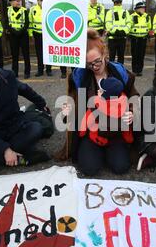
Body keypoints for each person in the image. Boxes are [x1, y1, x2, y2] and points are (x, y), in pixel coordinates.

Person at [57, 29, 139, 176]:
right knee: (89, 169)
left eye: (97, 61)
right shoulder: (79, 77)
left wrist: (132, 112)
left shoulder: (120, 73)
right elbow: (73, 107)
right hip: (91, 132)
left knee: (121, 167)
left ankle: (110, 152)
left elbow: (134, 97)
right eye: (89, 64)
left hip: (116, 130)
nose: (94, 67)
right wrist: (67, 112)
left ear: (104, 54)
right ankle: (96, 151)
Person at [6, 0, 31, 79]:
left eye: (19, 0)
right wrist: (14, 32)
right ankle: (14, 72)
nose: (19, 2)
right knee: (14, 55)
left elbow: (27, 23)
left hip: (23, 34)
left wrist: (20, 31)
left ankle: (27, 72)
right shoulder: (8, 11)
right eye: (17, 1)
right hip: (13, 35)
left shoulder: (24, 10)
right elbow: (6, 23)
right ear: (11, 2)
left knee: (26, 54)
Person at [29, 0, 52, 76]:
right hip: (37, 34)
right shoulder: (32, 9)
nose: (42, 1)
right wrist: (30, 34)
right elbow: (30, 22)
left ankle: (49, 70)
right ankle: (40, 70)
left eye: (44, 0)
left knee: (48, 52)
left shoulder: (50, 9)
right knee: (39, 53)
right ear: (38, 1)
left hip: (48, 34)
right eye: (41, 0)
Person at [105, 0, 131, 64]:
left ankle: (120, 72)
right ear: (114, 3)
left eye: (119, 2)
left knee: (121, 57)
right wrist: (115, 31)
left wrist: (124, 31)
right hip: (113, 38)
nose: (118, 4)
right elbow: (108, 24)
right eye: (117, 2)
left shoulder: (126, 12)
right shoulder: (110, 12)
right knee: (112, 57)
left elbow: (129, 23)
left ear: (121, 3)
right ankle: (112, 72)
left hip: (122, 37)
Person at [129, 2, 152, 76]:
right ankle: (134, 70)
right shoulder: (132, 16)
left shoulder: (147, 16)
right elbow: (129, 26)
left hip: (143, 38)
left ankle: (140, 70)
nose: (143, 9)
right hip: (134, 38)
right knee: (135, 55)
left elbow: (149, 26)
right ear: (137, 9)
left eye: (144, 8)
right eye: (142, 8)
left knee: (141, 55)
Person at [56, 0, 70, 79]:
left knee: (72, 52)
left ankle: (74, 71)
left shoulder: (70, 4)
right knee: (62, 54)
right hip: (59, 33)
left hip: (70, 32)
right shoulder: (55, 6)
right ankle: (63, 72)